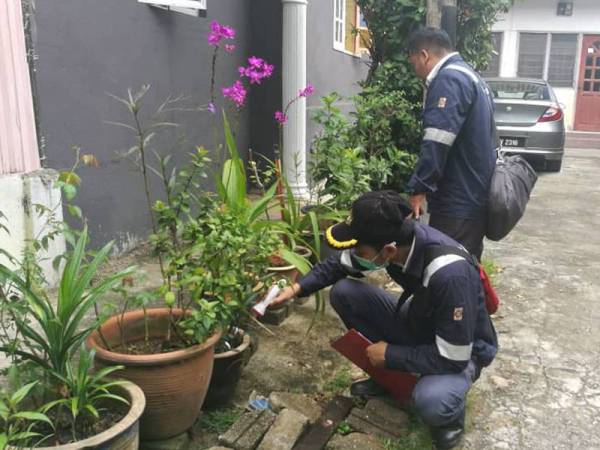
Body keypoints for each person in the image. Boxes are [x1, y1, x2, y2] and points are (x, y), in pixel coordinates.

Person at [271, 191, 498, 449]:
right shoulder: (397, 242)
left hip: (462, 348)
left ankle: (450, 418)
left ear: (388, 250)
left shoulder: (449, 274)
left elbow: (453, 357)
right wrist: (295, 289)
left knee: (431, 400)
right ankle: (391, 380)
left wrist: (391, 355)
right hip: (422, 322)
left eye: (360, 249)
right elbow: (338, 265)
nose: (356, 254)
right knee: (345, 293)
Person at [406, 27, 497, 260]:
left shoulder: (449, 79)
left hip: (458, 198)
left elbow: (437, 140)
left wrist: (419, 188)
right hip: (474, 194)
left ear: (424, 55)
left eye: (413, 62)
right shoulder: (471, 76)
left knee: (446, 265)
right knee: (467, 263)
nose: (415, 70)